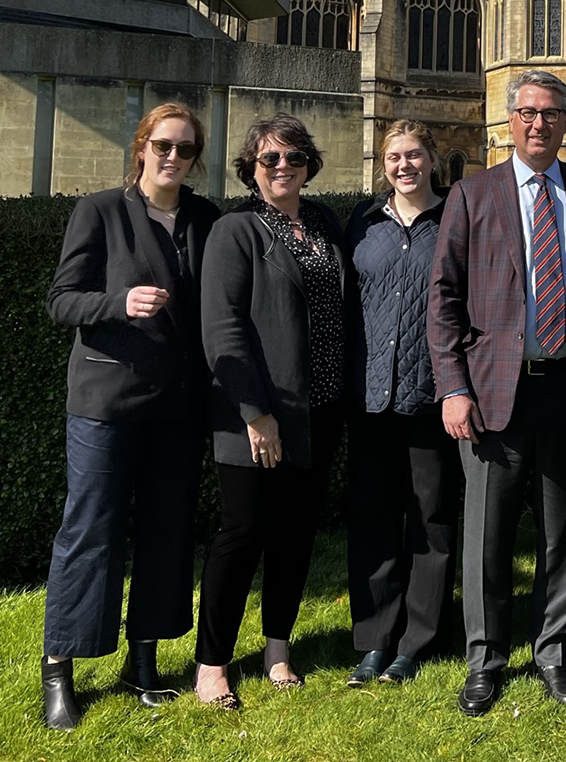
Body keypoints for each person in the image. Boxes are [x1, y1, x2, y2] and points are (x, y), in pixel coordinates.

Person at [428, 70, 566, 716]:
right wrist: (453, 387)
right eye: (529, 112)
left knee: (565, 529)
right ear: (510, 120)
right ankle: (485, 659)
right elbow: (443, 297)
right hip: (491, 393)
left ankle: (553, 652)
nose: (540, 123)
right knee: (488, 533)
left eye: (553, 112)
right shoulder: (472, 193)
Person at [40, 103, 221, 730]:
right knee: (90, 529)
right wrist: (118, 302)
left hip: (177, 405)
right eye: (163, 145)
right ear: (142, 146)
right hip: (106, 402)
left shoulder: (205, 218)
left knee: (167, 532)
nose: (173, 157)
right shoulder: (100, 210)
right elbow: (61, 301)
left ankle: (143, 661)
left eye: (186, 149)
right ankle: (59, 669)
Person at [193, 114, 355, 708]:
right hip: (258, 414)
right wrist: (254, 412)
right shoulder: (235, 230)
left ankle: (278, 649)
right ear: (251, 169)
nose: (282, 167)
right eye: (270, 159)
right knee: (242, 533)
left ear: (309, 165)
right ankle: (212, 664)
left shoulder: (325, 223)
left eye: (293, 157)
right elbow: (222, 327)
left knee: (295, 532)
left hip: (321, 409)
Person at [343, 120, 460, 687]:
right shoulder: (363, 222)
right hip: (370, 395)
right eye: (394, 157)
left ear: (432, 160)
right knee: (373, 516)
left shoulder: (455, 219)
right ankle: (374, 639)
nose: (404, 165)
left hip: (430, 395)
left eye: (414, 155)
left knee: (431, 519)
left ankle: (417, 640)